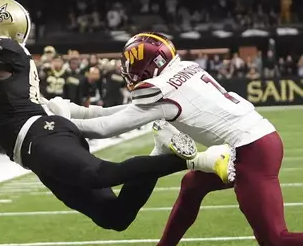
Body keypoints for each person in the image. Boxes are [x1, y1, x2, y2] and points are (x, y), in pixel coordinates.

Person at [0, 0, 234, 232]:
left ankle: (199, 161)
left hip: (38, 133)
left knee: (97, 174)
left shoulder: (3, 50)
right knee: (114, 216)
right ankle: (162, 151)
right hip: (36, 142)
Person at [48, 32, 303, 246]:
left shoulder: (160, 91)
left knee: (275, 240)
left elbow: (104, 128)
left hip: (251, 150)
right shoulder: (182, 69)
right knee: (192, 185)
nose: (127, 70)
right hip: (258, 140)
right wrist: (69, 109)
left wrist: (60, 121)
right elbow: (114, 114)